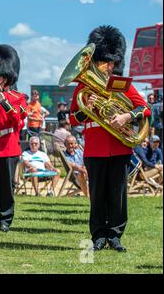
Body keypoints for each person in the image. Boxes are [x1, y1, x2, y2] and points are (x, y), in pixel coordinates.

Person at [69, 25, 150, 252]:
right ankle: (98, 236)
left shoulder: (124, 86)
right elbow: (75, 119)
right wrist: (88, 108)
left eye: (110, 62)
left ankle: (115, 235)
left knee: (117, 194)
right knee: (98, 195)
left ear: (115, 63)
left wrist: (126, 116)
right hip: (94, 148)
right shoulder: (83, 87)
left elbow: (145, 109)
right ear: (95, 61)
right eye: (103, 61)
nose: (107, 66)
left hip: (119, 147)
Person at [0, 44, 27, 232]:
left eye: (0, 76)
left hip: (8, 146)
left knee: (6, 185)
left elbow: (18, 121)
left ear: (8, 78)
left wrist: (4, 103)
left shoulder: (17, 98)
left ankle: (6, 217)